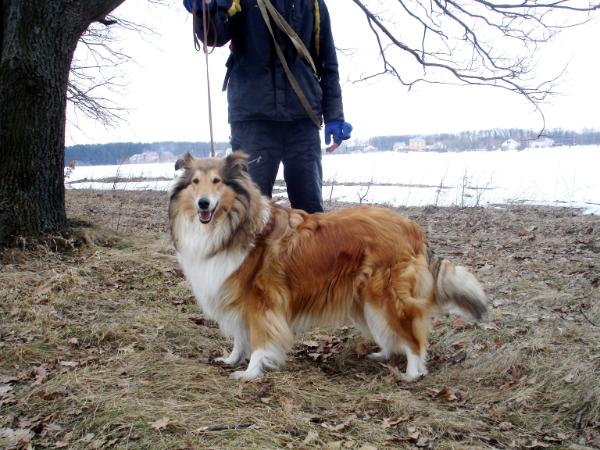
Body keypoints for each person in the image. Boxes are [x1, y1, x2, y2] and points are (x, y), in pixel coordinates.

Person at [183, 0, 352, 213]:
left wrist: (334, 115)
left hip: (303, 118)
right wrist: (204, 9)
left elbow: (327, 64)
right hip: (253, 120)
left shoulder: (314, 4)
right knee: (250, 213)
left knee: (311, 214)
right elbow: (216, 33)